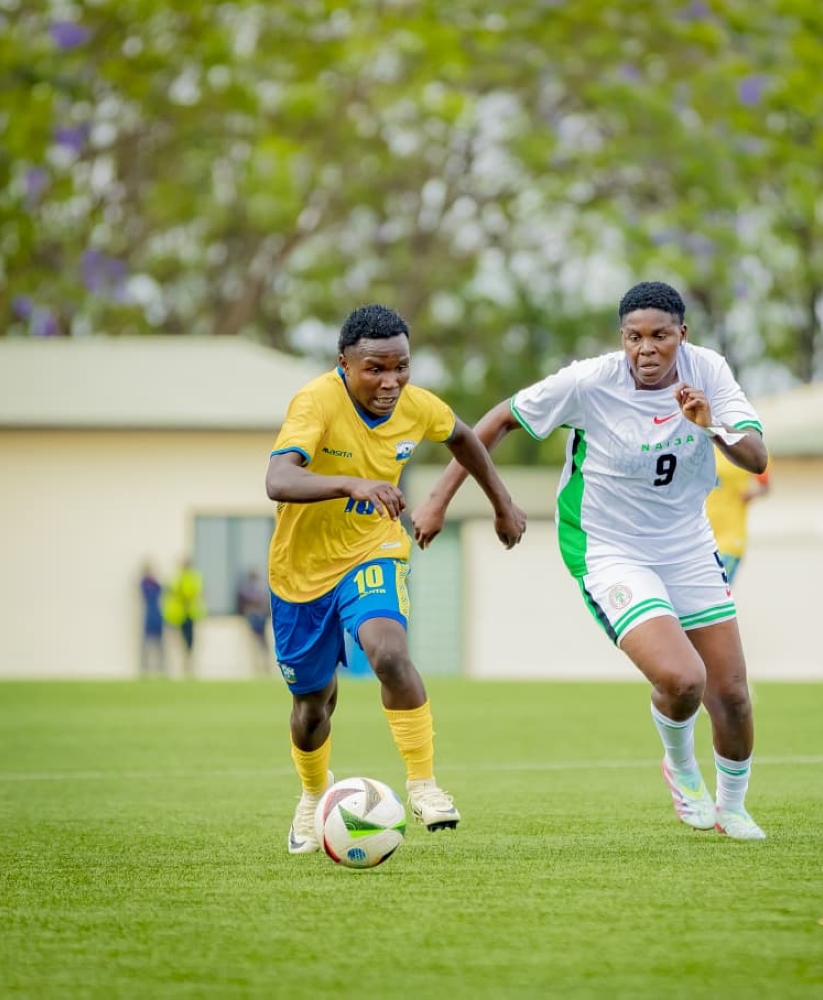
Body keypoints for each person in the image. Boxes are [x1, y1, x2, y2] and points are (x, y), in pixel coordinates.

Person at [412, 281, 769, 840]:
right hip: (609, 546)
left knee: (734, 696)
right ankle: (679, 765)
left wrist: (711, 423)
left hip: (688, 543)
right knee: (683, 679)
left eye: (660, 336)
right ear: (621, 338)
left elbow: (756, 455)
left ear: (683, 335)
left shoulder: (710, 371)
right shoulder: (589, 382)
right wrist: (442, 499)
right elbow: (496, 420)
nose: (646, 349)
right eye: (634, 337)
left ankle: (734, 809)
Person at [266, 302, 526, 854]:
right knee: (313, 706)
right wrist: (352, 483)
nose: (391, 382)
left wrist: (502, 504)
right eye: (376, 369)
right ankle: (314, 797)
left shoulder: (417, 406)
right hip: (300, 571)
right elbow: (278, 478)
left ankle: (424, 785)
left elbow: (463, 438)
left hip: (373, 548)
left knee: (388, 652)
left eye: (401, 367)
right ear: (344, 364)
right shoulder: (315, 401)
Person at [705, 448, 770, 585]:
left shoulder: (747, 446)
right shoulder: (703, 444)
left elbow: (765, 485)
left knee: (715, 589)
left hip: (730, 537)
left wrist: (752, 494)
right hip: (701, 536)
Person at [163, 557, 206, 678]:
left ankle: (188, 668)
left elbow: (198, 593)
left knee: (190, 643)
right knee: (178, 644)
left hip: (190, 616)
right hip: (178, 616)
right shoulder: (177, 577)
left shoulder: (194, 577)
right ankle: (177, 670)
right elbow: (174, 593)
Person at [236, 568, 272, 676]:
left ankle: (263, 665)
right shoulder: (252, 588)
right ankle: (260, 665)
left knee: (260, 642)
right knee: (258, 642)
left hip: (258, 617)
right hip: (255, 617)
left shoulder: (258, 588)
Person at [138, 560, 166, 676]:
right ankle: (144, 669)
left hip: (157, 616)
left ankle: (162, 670)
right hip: (149, 616)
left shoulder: (156, 583)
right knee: (146, 644)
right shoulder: (144, 583)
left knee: (160, 645)